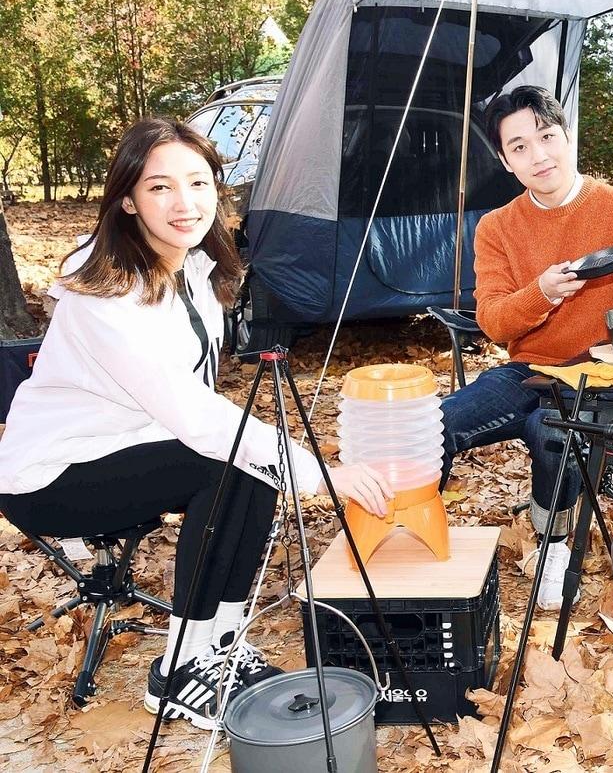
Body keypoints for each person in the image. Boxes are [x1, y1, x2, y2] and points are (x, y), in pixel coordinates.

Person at [0, 117, 392, 731]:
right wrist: (319, 474)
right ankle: (179, 669)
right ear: (127, 200)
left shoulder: (195, 268)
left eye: (199, 182)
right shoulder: (105, 289)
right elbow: (191, 412)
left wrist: (274, 459)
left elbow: (201, 407)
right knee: (233, 459)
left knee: (248, 464)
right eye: (159, 188)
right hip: (51, 474)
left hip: (130, 447)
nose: (185, 203)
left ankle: (221, 645)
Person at [440, 85, 613, 609]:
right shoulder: (497, 227)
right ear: (506, 161)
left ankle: (552, 547)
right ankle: (411, 548)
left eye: (547, 136)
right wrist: (541, 294)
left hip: (606, 374)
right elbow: (495, 322)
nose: (539, 155)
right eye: (520, 146)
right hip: (529, 368)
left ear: (568, 136)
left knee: (552, 435)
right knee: (430, 428)